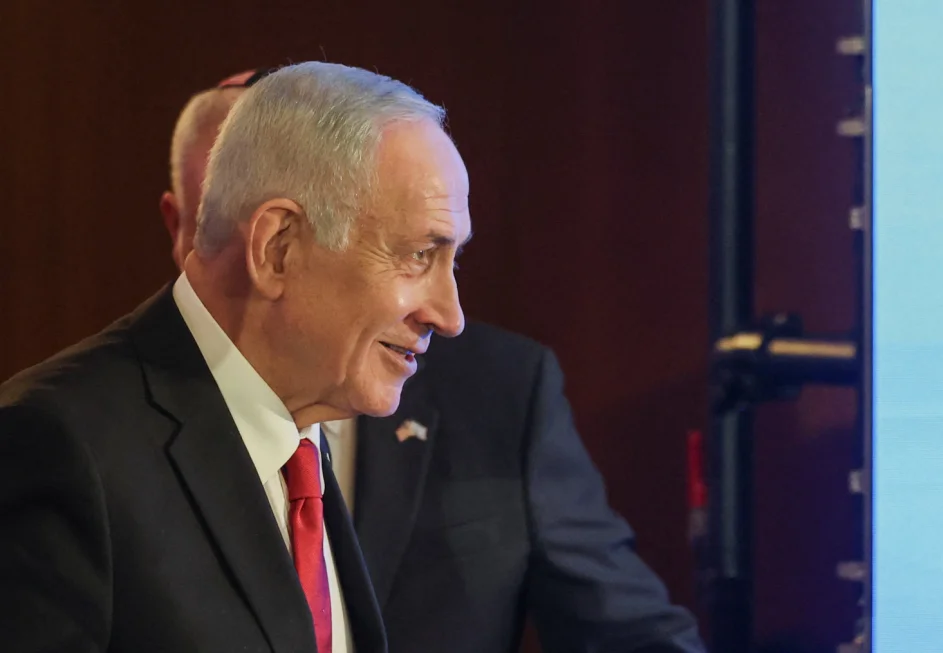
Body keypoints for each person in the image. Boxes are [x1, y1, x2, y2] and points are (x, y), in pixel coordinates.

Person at [159, 69, 706, 653]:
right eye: (214, 223)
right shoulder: (96, 439)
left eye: (437, 255)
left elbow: (631, 634)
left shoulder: (503, 394)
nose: (449, 317)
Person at [0, 61, 475, 652]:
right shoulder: (56, 445)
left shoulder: (304, 436)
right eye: (418, 255)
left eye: (452, 262)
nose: (449, 315)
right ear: (278, 248)